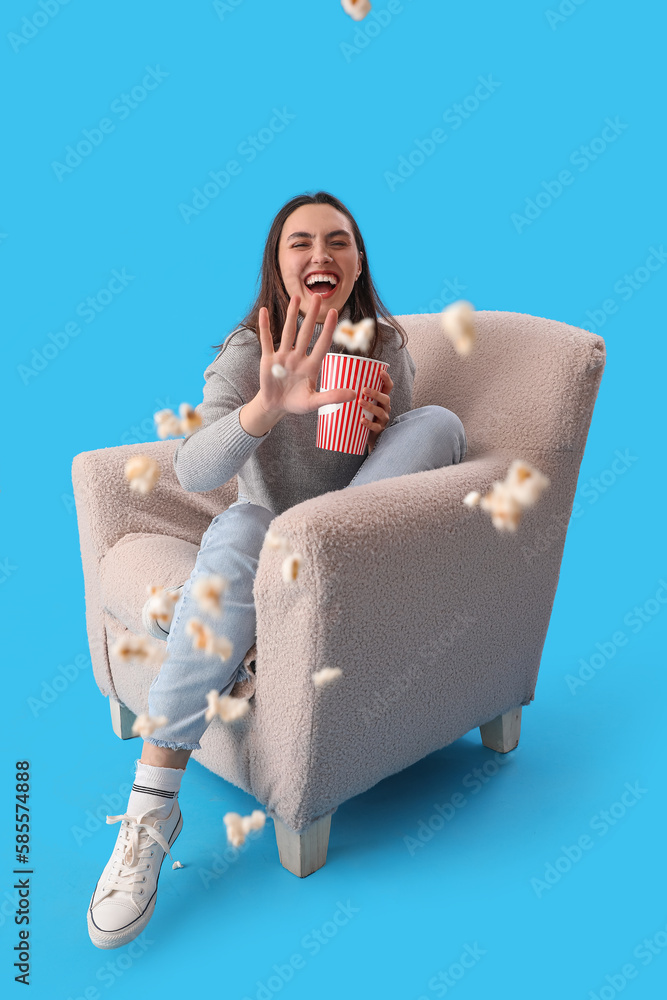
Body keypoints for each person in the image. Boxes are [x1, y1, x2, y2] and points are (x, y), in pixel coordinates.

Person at [87, 191, 467, 949]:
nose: (320, 254)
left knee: (438, 425)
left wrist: (379, 432)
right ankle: (151, 807)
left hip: (347, 551)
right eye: (300, 243)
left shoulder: (383, 345)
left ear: (357, 261)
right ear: (279, 263)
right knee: (239, 528)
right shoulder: (245, 350)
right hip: (260, 544)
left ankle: (287, 602)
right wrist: (266, 405)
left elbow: (395, 483)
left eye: (338, 241)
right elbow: (195, 471)